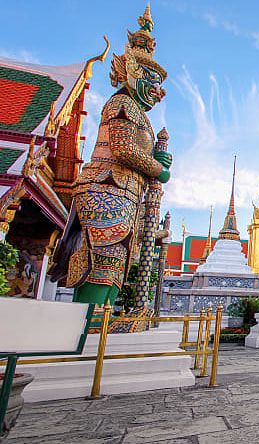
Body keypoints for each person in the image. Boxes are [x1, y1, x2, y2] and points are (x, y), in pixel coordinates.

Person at [50, 6, 171, 306]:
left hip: (123, 193)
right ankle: (85, 329)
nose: (159, 91)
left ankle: (98, 325)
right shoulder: (122, 104)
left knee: (115, 266)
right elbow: (123, 150)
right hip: (107, 188)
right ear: (134, 74)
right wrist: (158, 169)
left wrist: (156, 163)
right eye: (154, 82)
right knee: (101, 262)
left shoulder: (139, 114)